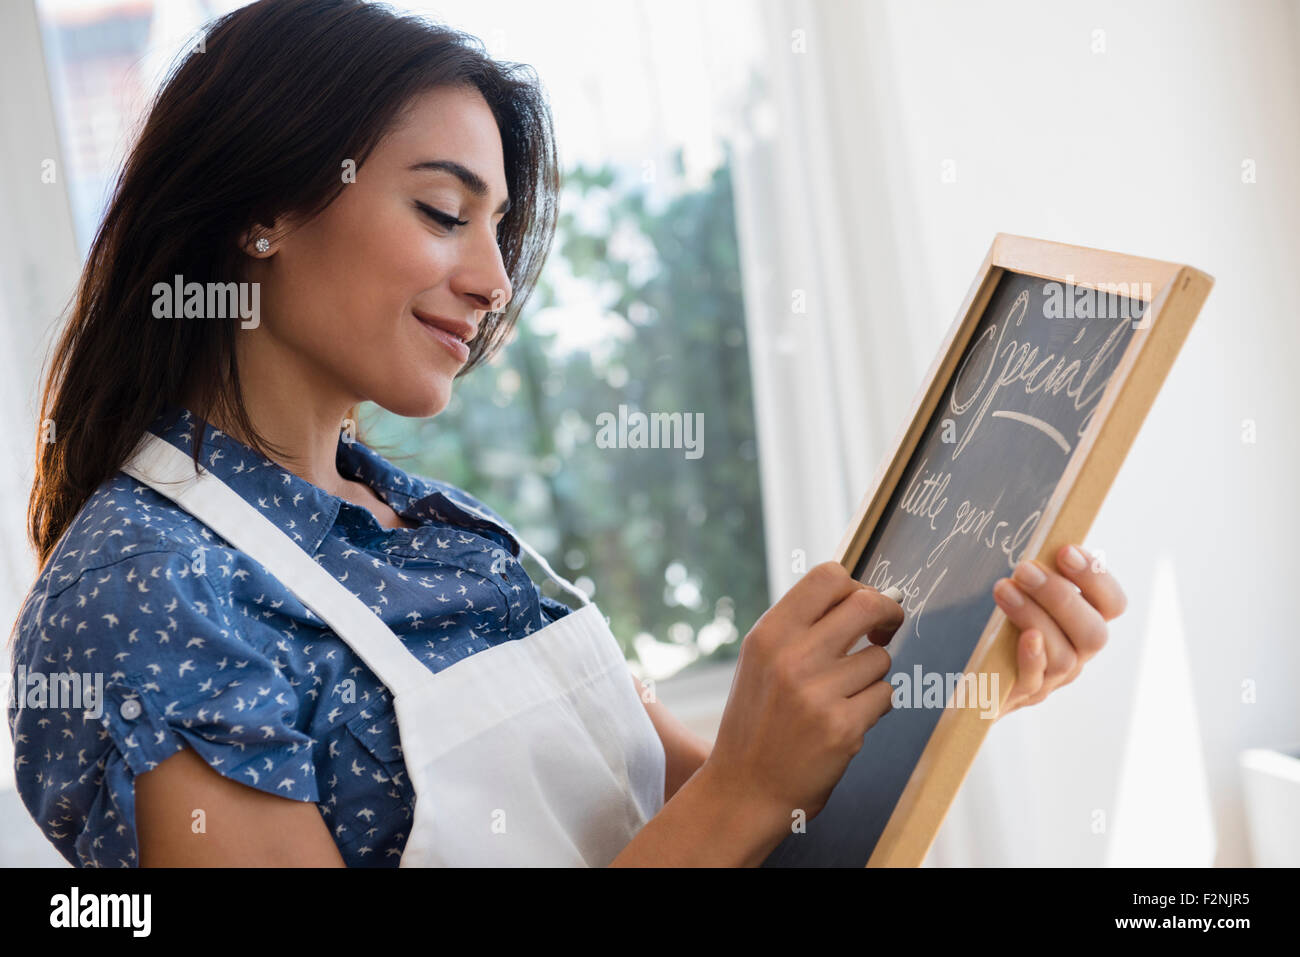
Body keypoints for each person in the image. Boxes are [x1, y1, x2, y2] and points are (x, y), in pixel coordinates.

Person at [8, 0, 1126, 868]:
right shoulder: (152, 595)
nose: (493, 281)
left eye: (500, 229)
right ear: (261, 211)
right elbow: (726, 804)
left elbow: (741, 829)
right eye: (445, 214)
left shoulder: (439, 529)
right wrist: (741, 783)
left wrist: (954, 695)